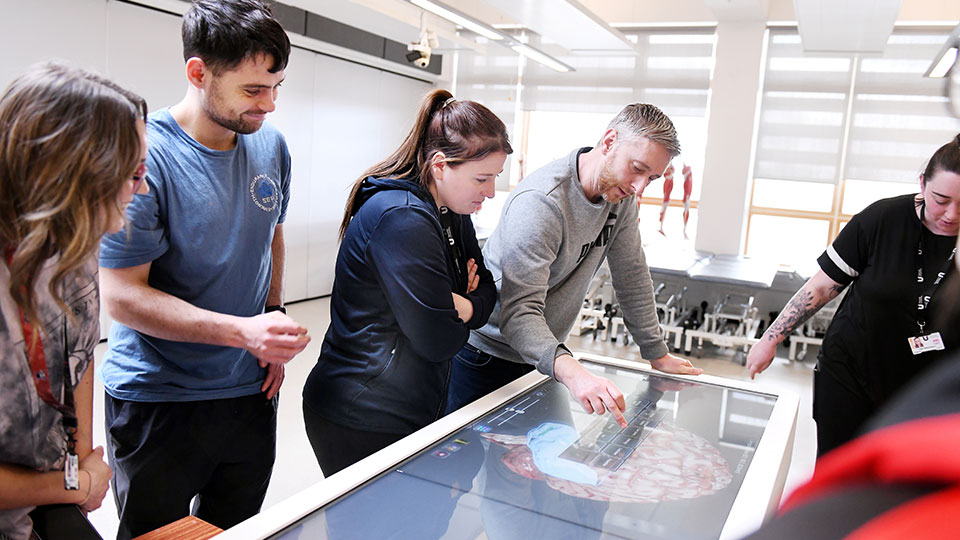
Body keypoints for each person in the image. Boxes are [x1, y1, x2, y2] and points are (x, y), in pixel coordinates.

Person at [97, 1, 309, 537]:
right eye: (253, 90)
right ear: (198, 73)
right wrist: (244, 333)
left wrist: (273, 311)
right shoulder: (145, 155)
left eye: (276, 86)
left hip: (248, 393)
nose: (271, 105)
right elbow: (121, 294)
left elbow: (271, 232)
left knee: (236, 531)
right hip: (159, 399)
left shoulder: (271, 145)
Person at [445, 103, 702, 429]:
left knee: (550, 469)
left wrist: (656, 352)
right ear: (609, 142)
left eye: (651, 178)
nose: (640, 187)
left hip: (547, 357)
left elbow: (631, 274)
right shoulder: (542, 202)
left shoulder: (620, 200)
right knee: (469, 471)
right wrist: (574, 373)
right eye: (636, 168)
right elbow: (519, 312)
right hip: (487, 358)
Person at [301, 89, 505, 476]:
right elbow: (438, 340)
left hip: (408, 404)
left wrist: (462, 305)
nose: (491, 192)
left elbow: (488, 290)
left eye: (494, 178)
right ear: (440, 165)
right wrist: (462, 305)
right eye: (483, 178)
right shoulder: (403, 218)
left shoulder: (449, 208)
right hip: (363, 412)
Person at [0, 63, 147, 540]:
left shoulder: (76, 248)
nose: (142, 189)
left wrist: (83, 462)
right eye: (133, 173)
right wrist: (74, 483)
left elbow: (78, 363)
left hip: (47, 497)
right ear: (77, 175)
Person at [746, 133, 960, 457]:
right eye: (941, 199)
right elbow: (821, 286)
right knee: (837, 470)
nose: (951, 214)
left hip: (922, 389)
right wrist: (770, 339)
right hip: (850, 371)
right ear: (921, 183)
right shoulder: (881, 220)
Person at [658, 162, 675, 235]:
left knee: (664, 209)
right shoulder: (668, 180)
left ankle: (661, 226)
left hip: (666, 199)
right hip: (666, 199)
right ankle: (661, 226)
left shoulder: (670, 179)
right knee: (664, 209)